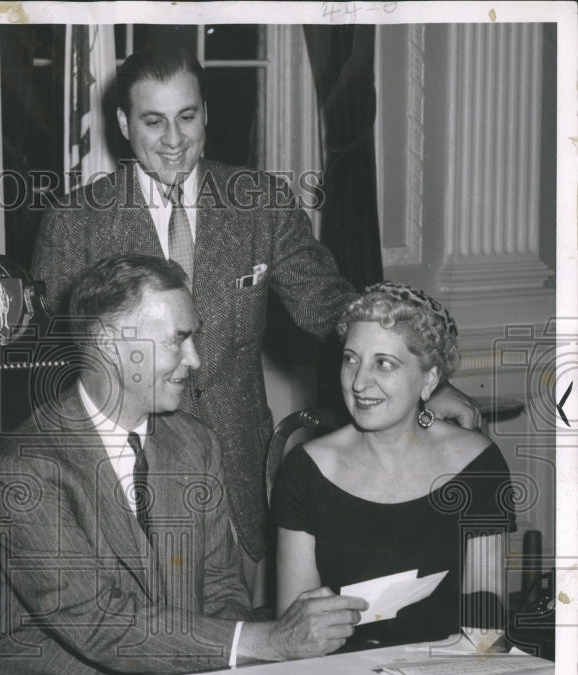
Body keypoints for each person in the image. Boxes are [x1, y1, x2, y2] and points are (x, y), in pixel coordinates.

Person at [31, 47, 479, 595]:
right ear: (124, 124)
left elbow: (332, 303)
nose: (174, 139)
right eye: (153, 121)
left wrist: (431, 383)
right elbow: (55, 363)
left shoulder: (259, 204)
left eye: (187, 116)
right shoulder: (76, 221)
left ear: (206, 114)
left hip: (239, 487)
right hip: (127, 487)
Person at [0, 255, 367, 675]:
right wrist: (263, 641)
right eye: (178, 340)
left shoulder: (196, 443)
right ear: (112, 344)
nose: (195, 359)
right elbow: (97, 623)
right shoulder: (25, 468)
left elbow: (221, 587)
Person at [274, 284, 513, 648]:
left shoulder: (476, 464)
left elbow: (487, 613)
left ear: (429, 379)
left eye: (383, 364)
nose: (358, 382)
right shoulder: (308, 469)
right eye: (351, 359)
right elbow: (295, 631)